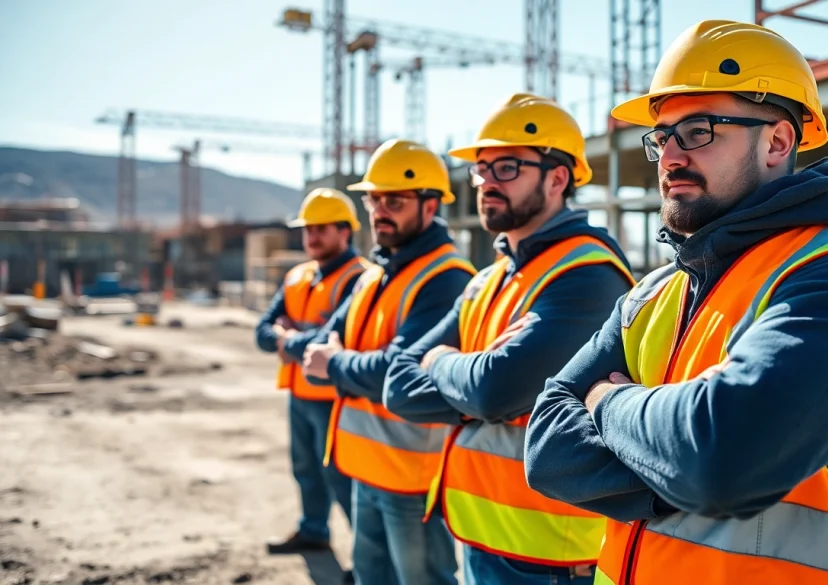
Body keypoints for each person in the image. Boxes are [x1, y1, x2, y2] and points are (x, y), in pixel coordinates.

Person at [523, 20, 828, 585]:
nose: (669, 156)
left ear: (777, 141)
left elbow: (723, 456)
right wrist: (676, 465)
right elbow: (545, 446)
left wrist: (606, 401)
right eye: (661, 136)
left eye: (697, 130)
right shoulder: (654, 294)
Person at [383, 93, 637, 585]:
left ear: (557, 178)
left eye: (506, 168)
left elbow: (495, 390)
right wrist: (477, 377)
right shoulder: (489, 279)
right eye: (481, 170)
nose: (486, 184)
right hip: (486, 537)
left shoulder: (587, 275)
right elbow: (398, 383)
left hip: (553, 555)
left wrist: (440, 363)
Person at [301, 138, 475, 585]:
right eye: (374, 199)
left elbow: (399, 369)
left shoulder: (446, 277)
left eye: (393, 200)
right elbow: (321, 342)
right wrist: (337, 357)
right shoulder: (376, 272)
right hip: (365, 466)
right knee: (369, 575)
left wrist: (336, 364)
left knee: (424, 578)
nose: (379, 210)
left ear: (431, 205)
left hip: (413, 473)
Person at [254, 188, 368, 562]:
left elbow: (331, 338)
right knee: (304, 468)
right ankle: (313, 531)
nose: (312, 237)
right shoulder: (296, 276)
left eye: (321, 229)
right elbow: (261, 331)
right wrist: (287, 339)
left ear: (345, 232)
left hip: (338, 399)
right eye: (308, 229)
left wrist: (286, 338)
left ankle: (365, 558)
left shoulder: (360, 279)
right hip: (300, 394)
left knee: (343, 479)